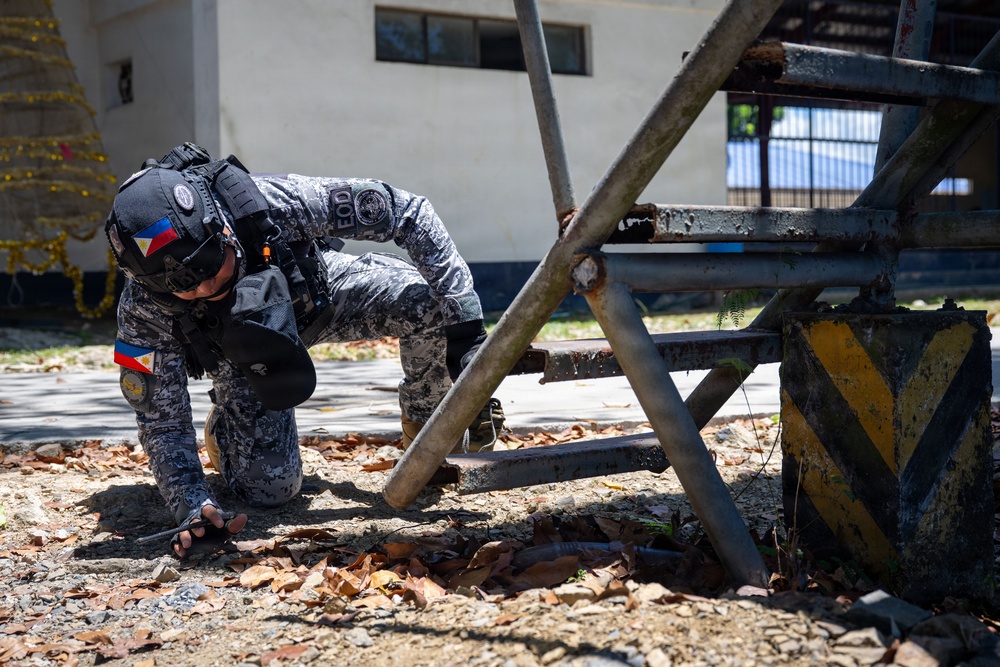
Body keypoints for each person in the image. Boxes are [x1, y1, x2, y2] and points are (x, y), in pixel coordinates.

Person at [105, 142, 504, 557]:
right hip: (245, 359)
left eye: (207, 265)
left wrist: (466, 321)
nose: (204, 287)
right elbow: (161, 422)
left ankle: (429, 427)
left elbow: (409, 212)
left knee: (434, 302)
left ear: (219, 227)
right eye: (181, 285)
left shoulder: (265, 202)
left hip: (319, 298)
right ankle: (225, 429)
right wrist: (192, 505)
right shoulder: (141, 310)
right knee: (271, 488)